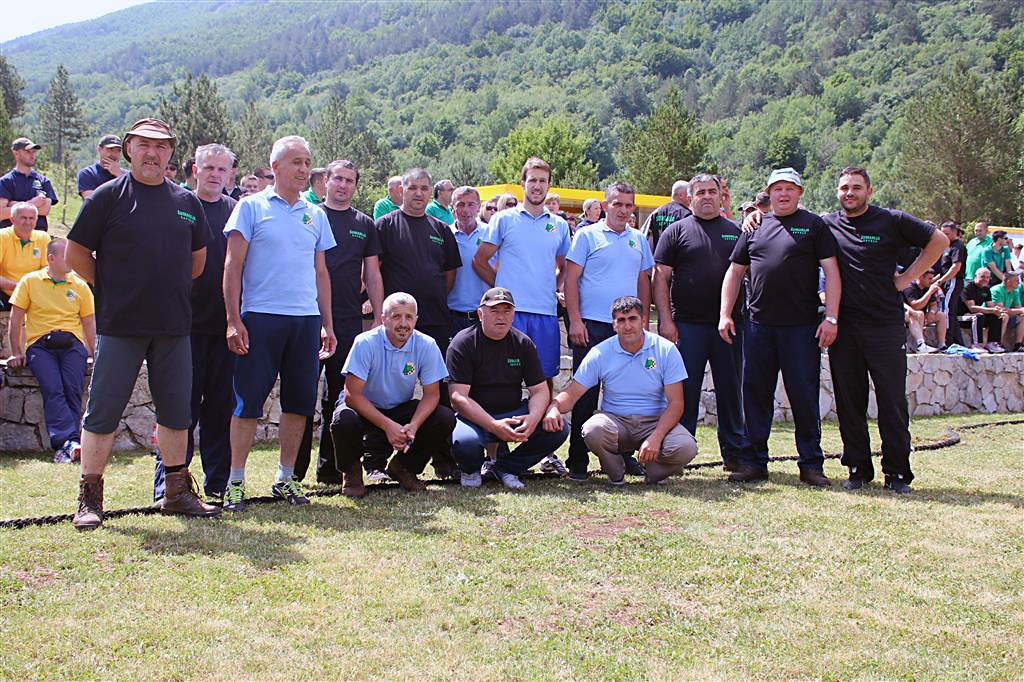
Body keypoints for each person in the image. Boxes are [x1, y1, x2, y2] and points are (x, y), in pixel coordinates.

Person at [65, 118, 220, 529]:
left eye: (161, 146)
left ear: (171, 153)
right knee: (102, 413)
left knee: (177, 414)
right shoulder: (107, 197)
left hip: (174, 326)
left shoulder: (187, 203)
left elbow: (197, 262)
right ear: (129, 150)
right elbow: (75, 252)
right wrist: (110, 288)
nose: (152, 153)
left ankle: (176, 493)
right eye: (144, 145)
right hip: (120, 325)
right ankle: (90, 498)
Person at [221, 135, 337, 512]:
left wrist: (327, 323)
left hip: (305, 322)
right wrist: (233, 319)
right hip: (260, 318)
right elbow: (232, 265)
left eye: (307, 162)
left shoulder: (315, 214)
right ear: (275, 167)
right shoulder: (250, 207)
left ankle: (285, 478)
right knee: (247, 403)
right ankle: (235, 482)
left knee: (299, 404)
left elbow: (321, 273)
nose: (304, 169)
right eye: (296, 162)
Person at [821, 166, 947, 493]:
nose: (850, 193)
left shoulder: (891, 220)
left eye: (856, 187)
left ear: (869, 191)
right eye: (844, 188)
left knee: (892, 402)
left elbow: (939, 240)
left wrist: (906, 279)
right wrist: (755, 216)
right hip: (845, 329)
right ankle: (858, 470)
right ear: (837, 192)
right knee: (849, 403)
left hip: (885, 328)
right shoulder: (828, 224)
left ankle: (897, 473)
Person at [720, 167, 840, 487]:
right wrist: (725, 314)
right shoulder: (754, 225)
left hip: (801, 328)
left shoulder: (814, 225)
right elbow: (734, 272)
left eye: (789, 188)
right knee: (755, 396)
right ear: (769, 193)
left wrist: (831, 318)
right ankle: (753, 463)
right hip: (759, 327)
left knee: (804, 396)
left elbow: (832, 271)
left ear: (800, 192)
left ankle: (811, 465)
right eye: (777, 188)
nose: (783, 194)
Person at [472, 157, 572, 476]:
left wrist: (553, 288)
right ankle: (493, 456)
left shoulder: (559, 225)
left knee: (544, 380)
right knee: (500, 379)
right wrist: (503, 291)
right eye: (533, 180)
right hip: (511, 314)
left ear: (549, 184)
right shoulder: (504, 219)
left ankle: (544, 454)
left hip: (544, 314)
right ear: (523, 183)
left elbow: (564, 267)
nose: (538, 186)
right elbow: (480, 261)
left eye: (543, 180)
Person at [152, 144, 238, 504]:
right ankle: (169, 485)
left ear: (231, 174)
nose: (216, 174)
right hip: (182, 327)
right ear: (194, 170)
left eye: (222, 169)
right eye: (209, 168)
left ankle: (218, 483)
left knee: (221, 408)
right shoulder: (177, 205)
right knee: (178, 409)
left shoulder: (237, 211)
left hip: (226, 327)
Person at [545, 296, 697, 485]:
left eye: (632, 319)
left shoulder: (665, 350)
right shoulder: (600, 353)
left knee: (686, 447)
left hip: (654, 421)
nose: (627, 326)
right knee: (592, 430)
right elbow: (572, 393)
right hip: (616, 422)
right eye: (621, 320)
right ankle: (616, 472)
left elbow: (676, 403)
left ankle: (653, 472)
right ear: (614, 325)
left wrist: (656, 437)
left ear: (643, 320)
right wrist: (554, 407)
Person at [295, 159, 383, 484]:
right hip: (306, 316)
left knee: (340, 396)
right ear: (325, 182)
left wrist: (378, 315)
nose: (343, 185)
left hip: (347, 321)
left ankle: (332, 469)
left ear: (356, 186)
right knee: (302, 395)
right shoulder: (308, 215)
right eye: (338, 179)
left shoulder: (364, 223)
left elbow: (372, 274)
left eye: (350, 180)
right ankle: (293, 472)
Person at [653, 173, 746, 472]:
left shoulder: (736, 231)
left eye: (711, 191)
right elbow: (660, 279)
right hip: (687, 326)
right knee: (684, 392)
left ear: (721, 196)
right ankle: (679, 453)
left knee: (731, 391)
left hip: (729, 326)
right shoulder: (676, 232)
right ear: (690, 198)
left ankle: (735, 454)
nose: (706, 196)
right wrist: (666, 321)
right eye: (700, 192)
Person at [563, 181, 653, 481]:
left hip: (627, 329)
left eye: (628, 205)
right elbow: (571, 280)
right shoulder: (586, 235)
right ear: (604, 205)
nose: (623, 210)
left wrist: (644, 322)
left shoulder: (638, 239)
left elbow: (643, 282)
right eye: (617, 204)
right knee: (585, 394)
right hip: (591, 325)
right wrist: (575, 320)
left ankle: (623, 456)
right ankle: (577, 460)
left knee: (624, 396)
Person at [375, 167, 460, 478]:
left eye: (425, 188)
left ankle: (442, 460)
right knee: (380, 390)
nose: (419, 193)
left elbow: (449, 276)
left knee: (439, 392)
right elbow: (373, 270)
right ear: (402, 190)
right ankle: (374, 462)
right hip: (393, 325)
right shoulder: (385, 226)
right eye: (413, 188)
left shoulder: (441, 229)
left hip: (435, 320)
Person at [330, 292, 455, 495]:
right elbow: (352, 394)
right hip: (364, 406)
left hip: (399, 407)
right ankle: (351, 473)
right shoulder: (365, 342)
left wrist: (413, 426)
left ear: (416, 320)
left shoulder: (427, 345)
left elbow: (432, 395)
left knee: (444, 418)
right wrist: (388, 426)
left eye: (409, 317)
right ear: (383, 319)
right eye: (396, 316)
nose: (403, 323)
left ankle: (403, 467)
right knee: (344, 419)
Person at [448, 287, 568, 489]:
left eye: (507, 310)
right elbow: (458, 397)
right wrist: (493, 425)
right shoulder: (463, 342)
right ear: (480, 314)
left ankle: (507, 468)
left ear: (514, 314)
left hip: (513, 414)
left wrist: (533, 419)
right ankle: (471, 469)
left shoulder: (523, 343)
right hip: (474, 417)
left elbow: (540, 390)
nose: (501, 317)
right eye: (494, 310)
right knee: (465, 443)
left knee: (558, 428)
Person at [6, 238, 95, 462]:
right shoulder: (29, 281)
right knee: (53, 388)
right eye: (66, 256)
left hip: (72, 345)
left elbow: (88, 322)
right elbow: (15, 319)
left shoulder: (80, 285)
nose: (70, 260)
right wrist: (16, 352)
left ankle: (67, 447)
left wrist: (96, 353)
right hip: (40, 345)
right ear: (51, 258)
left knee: (72, 388)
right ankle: (69, 442)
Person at [447, 186, 491, 337]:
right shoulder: (444, 234)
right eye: (460, 204)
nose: (466, 210)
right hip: (452, 315)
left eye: (471, 204)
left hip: (484, 315)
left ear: (479, 207)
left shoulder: (491, 233)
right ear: (452, 208)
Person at [0, 138, 58, 232]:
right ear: (16, 153)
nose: (32, 155)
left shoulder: (44, 181)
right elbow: (2, 213)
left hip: (37, 235)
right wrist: (34, 203)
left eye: (34, 152)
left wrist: (14, 205)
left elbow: (45, 210)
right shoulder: (5, 181)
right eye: (28, 151)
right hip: (11, 236)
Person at [0, 203, 49, 306]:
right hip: (5, 291)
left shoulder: (43, 237)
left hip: (34, 292)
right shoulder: (2, 236)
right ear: (12, 220)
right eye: (23, 218)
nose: (27, 222)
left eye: (31, 218)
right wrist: (19, 287)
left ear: (36, 220)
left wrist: (33, 287)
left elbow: (46, 269)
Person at [933, 221, 968, 347]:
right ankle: (957, 341)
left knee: (947, 310)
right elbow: (944, 268)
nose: (944, 236)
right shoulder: (947, 246)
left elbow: (955, 267)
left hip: (953, 281)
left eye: (947, 233)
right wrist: (935, 280)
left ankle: (949, 340)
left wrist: (942, 280)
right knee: (949, 311)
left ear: (954, 232)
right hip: (946, 280)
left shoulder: (958, 246)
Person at [640, 180, 691, 253]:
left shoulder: (656, 212)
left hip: (657, 257)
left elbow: (646, 235)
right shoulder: (686, 214)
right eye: (689, 194)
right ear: (681, 195)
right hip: (677, 258)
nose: (690, 197)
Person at [902, 269, 947, 353]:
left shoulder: (928, 287)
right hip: (908, 315)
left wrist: (932, 312)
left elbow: (933, 304)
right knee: (919, 313)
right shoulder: (910, 287)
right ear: (920, 277)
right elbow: (916, 306)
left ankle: (942, 344)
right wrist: (929, 292)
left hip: (921, 315)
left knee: (941, 315)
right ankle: (920, 345)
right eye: (929, 278)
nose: (931, 281)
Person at [961, 268, 1004, 352]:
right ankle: (975, 345)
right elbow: (972, 308)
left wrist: (996, 310)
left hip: (976, 315)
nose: (985, 279)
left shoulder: (986, 289)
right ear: (975, 276)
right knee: (978, 316)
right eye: (982, 277)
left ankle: (992, 343)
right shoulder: (967, 288)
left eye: (987, 277)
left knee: (997, 316)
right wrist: (992, 310)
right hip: (962, 316)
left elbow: (990, 306)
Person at [990, 270, 1023, 351]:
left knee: (1023, 316)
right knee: (1004, 316)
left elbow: (1019, 307)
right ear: (1008, 281)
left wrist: (1020, 310)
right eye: (1016, 280)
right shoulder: (996, 290)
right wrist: (1020, 310)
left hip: (1008, 315)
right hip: (992, 316)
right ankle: (999, 343)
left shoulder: (1014, 291)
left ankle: (1018, 345)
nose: (1018, 283)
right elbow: (1001, 310)